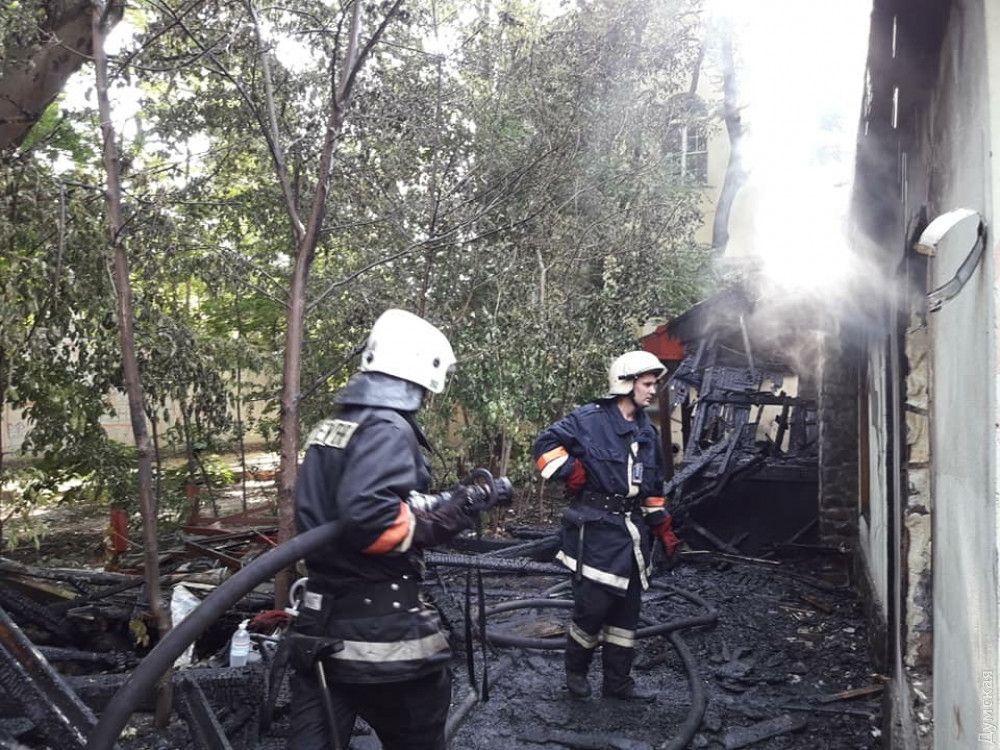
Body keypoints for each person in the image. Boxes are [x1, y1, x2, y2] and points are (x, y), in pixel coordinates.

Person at [289, 308, 507, 750]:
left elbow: (362, 501)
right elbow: (372, 521)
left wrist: (443, 501)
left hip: (320, 625)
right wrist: (456, 513)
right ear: (421, 369)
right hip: (381, 634)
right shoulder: (386, 427)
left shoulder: (335, 426)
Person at [533, 350, 681, 701]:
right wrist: (572, 470)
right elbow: (544, 446)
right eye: (647, 384)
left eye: (654, 384)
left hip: (631, 537)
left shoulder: (647, 432)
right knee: (592, 610)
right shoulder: (589, 420)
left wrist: (663, 528)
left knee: (626, 613)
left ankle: (617, 682)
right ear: (626, 383)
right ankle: (576, 672)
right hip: (595, 533)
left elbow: (652, 489)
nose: (653, 391)